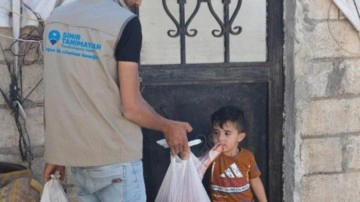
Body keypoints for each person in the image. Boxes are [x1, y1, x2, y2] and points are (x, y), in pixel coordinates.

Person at [42, 0, 192, 201]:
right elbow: (131, 108)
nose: (141, 2)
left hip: (78, 161)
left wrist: (56, 152)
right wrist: (167, 126)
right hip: (116, 160)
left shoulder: (55, 19)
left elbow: (56, 91)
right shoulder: (125, 23)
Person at [208, 106, 267, 202]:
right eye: (216, 132)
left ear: (240, 137)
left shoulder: (247, 157)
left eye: (227, 133)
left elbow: (255, 181)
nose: (220, 138)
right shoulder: (211, 156)